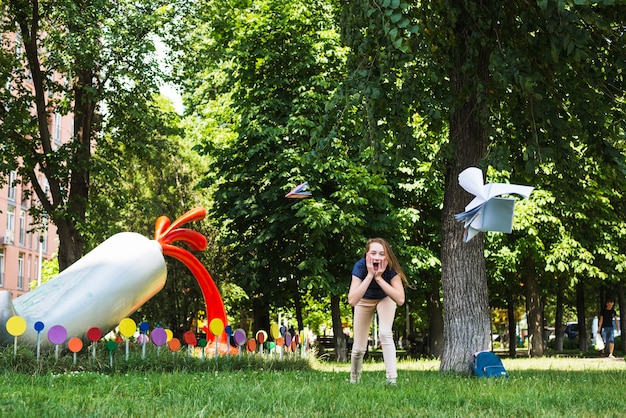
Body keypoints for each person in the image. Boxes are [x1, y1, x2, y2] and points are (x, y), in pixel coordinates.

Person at [348, 238, 407, 385]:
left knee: (385, 333)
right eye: (373, 253)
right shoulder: (360, 267)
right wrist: (369, 275)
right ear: (367, 255)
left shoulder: (391, 268)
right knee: (359, 349)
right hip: (363, 300)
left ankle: (391, 379)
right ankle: (354, 380)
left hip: (385, 298)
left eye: (382, 254)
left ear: (387, 256)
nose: (377, 257)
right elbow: (352, 300)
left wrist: (379, 278)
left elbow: (400, 300)